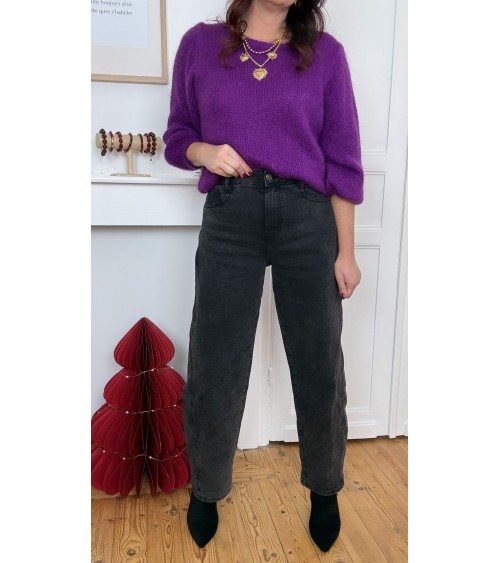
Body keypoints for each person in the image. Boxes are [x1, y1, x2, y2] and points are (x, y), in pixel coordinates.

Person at [163, 0, 363, 552]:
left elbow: (344, 161)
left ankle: (324, 488)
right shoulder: (200, 45)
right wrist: (206, 151)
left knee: (320, 363)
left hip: (307, 217)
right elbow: (177, 136)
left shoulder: (325, 56)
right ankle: (207, 488)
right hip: (232, 213)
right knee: (216, 359)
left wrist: (346, 252)